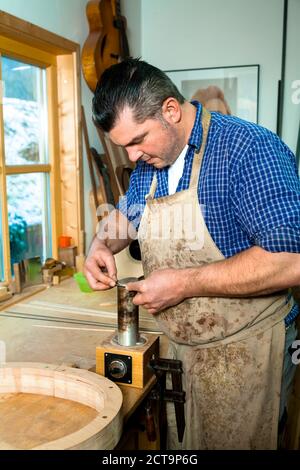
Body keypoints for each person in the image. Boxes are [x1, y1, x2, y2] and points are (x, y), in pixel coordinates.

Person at [85, 58, 300, 450]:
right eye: (123, 146)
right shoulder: (153, 160)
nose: (131, 156)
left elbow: (290, 260)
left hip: (248, 348)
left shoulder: (249, 149)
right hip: (182, 347)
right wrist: (100, 244)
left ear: (170, 109)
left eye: (137, 140)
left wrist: (184, 283)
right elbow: (129, 215)